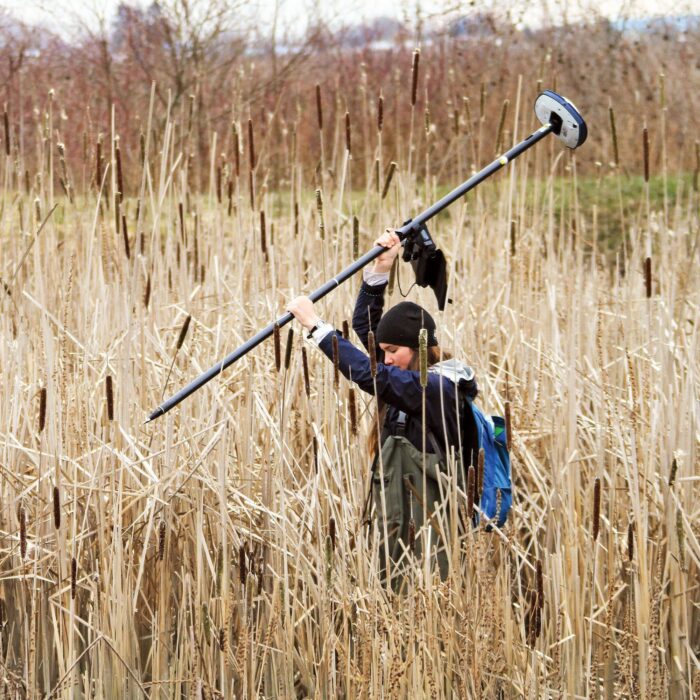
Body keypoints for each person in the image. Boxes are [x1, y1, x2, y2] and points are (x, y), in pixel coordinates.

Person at [287, 229, 479, 586]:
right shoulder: (405, 369)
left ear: (420, 349)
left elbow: (371, 375)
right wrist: (380, 269)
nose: (386, 358)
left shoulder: (435, 388)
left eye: (393, 351)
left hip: (435, 530)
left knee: (426, 592)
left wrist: (315, 327)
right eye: (384, 351)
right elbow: (365, 327)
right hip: (396, 522)